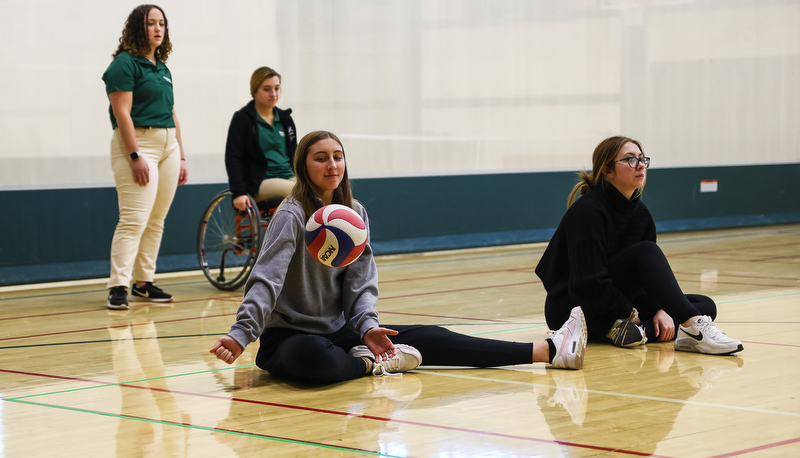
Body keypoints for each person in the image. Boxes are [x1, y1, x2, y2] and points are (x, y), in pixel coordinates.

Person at [210, 130, 588, 383]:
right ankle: (373, 363)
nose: (332, 166)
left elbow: (360, 282)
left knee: (431, 336)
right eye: (320, 158)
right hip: (290, 337)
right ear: (302, 166)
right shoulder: (291, 215)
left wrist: (368, 326)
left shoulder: (354, 214)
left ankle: (549, 350)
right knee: (313, 358)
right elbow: (267, 279)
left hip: (343, 332)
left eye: (337, 157)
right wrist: (242, 333)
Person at [535, 136, 743, 355]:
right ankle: (687, 329)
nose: (641, 165)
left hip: (616, 302)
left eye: (642, 159)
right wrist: (630, 313)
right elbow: (588, 282)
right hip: (573, 308)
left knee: (705, 304)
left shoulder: (641, 214)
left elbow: (644, 282)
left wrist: (660, 309)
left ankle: (642, 332)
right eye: (630, 160)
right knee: (648, 253)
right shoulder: (589, 211)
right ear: (608, 170)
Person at [103, 4, 188, 310]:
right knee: (134, 219)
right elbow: (121, 113)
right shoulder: (124, 65)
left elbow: (173, 114)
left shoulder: (162, 67)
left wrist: (180, 156)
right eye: (151, 23)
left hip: (168, 146)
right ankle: (118, 285)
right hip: (139, 145)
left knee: (156, 220)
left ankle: (144, 282)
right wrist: (134, 154)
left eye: (161, 23)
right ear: (138, 27)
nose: (158, 28)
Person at [225, 66, 298, 212]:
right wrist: (238, 192)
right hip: (259, 182)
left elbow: (296, 154)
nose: (273, 94)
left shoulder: (285, 119)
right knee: (301, 193)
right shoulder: (242, 119)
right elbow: (233, 158)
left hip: (289, 176)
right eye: (267, 89)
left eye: (277, 88)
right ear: (255, 90)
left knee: (319, 190)